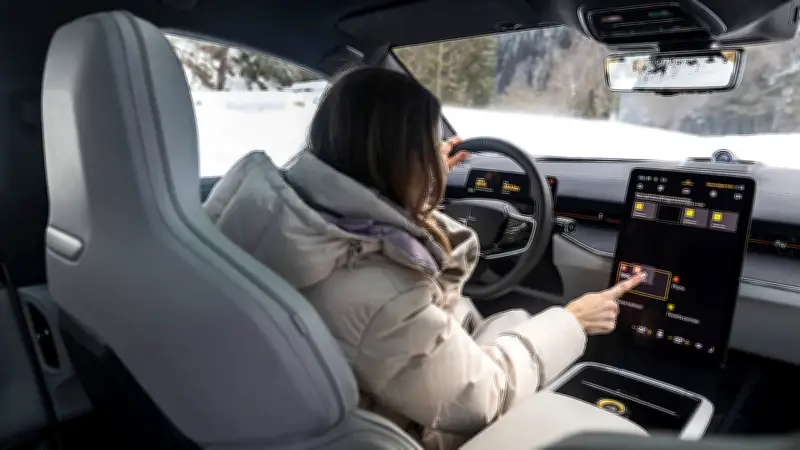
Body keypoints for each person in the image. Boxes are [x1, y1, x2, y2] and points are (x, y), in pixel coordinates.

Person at [204, 66, 644, 449]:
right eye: (430, 143)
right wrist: (573, 321)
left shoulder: (268, 216)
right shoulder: (378, 293)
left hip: (290, 415)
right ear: (402, 158)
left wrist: (418, 187)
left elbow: (367, 222)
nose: (439, 152)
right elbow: (481, 397)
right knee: (520, 323)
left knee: (508, 323)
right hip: (394, 428)